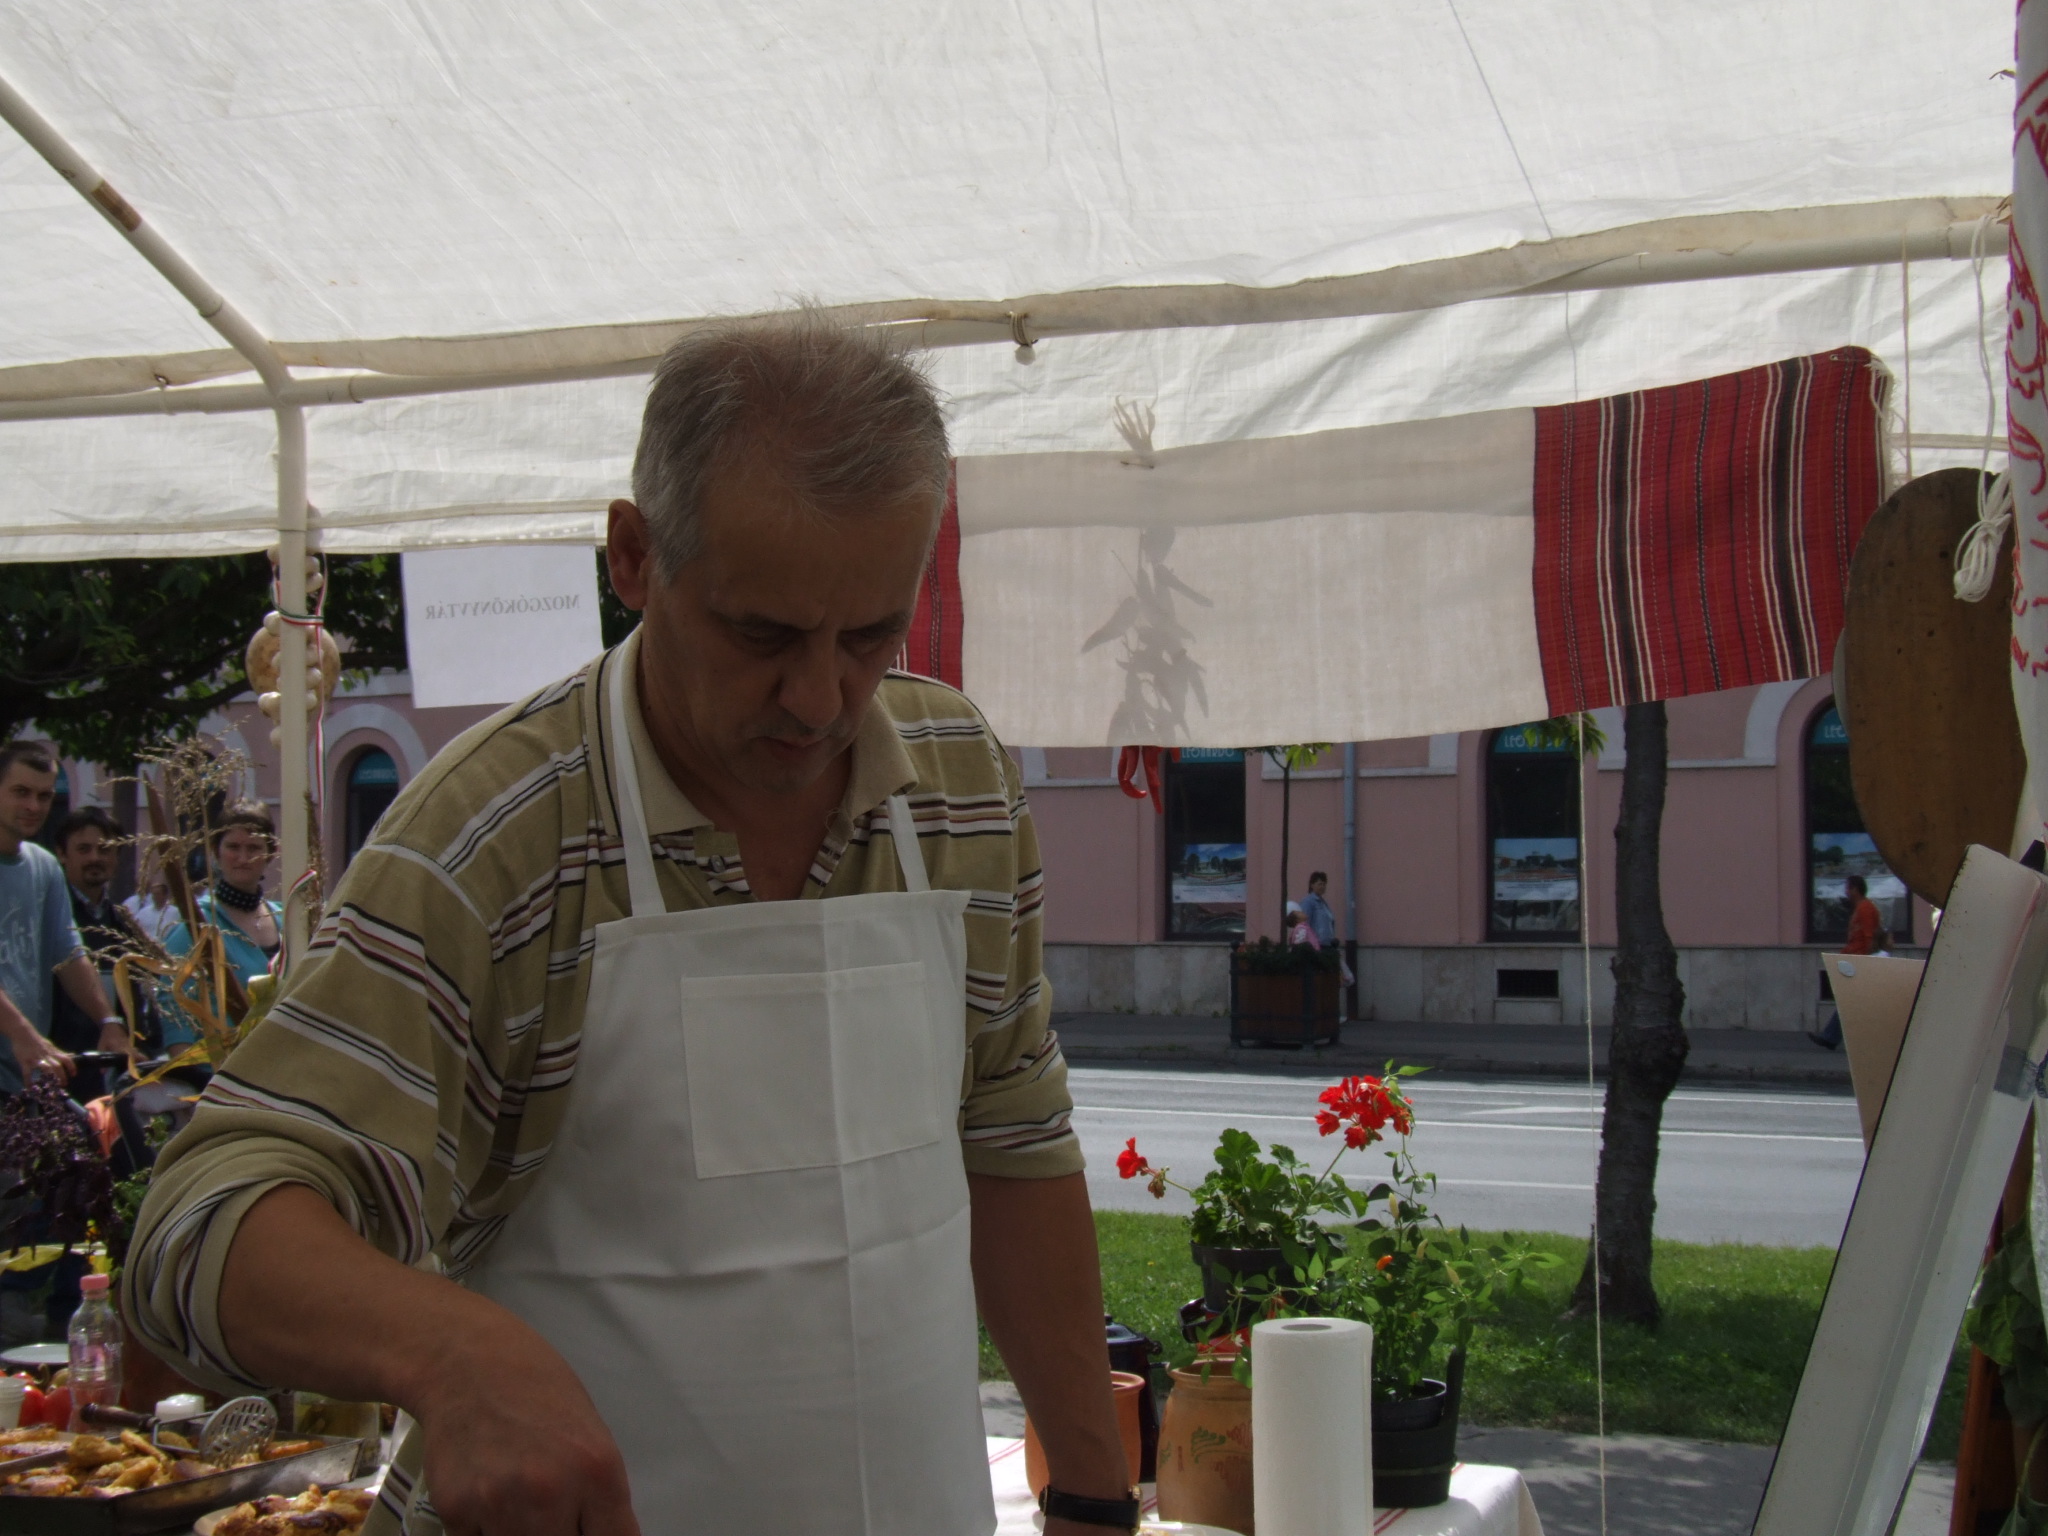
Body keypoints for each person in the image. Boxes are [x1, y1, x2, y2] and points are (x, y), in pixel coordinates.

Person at [129, 318, 1127, 1536]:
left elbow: (1012, 1138)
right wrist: (450, 1352)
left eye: (869, 635)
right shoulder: (499, 836)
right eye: (762, 634)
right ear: (634, 558)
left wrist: (1091, 1493)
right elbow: (201, 1221)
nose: (819, 698)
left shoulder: (957, 779)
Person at [0, 742, 124, 1092]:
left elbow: (68, 953)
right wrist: (23, 1034)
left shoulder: (44, 866)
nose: (34, 806)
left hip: (24, 1074)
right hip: (25, 1050)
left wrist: (109, 1021)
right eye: (21, 792)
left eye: (44, 796)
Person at [51, 805, 156, 1094]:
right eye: (83, 849)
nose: (95, 858)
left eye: (104, 849)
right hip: (66, 1070)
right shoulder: (53, 919)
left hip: (114, 1076)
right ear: (62, 854)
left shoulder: (123, 925)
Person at [159, 808, 283, 1054]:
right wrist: (185, 1064)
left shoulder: (287, 919)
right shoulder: (196, 923)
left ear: (270, 854)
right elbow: (173, 1001)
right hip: (219, 1063)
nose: (243, 857)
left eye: (254, 848)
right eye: (233, 847)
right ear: (216, 851)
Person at [1809, 873, 1887, 1050]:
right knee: (1851, 1002)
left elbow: (1868, 937)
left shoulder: (1865, 908)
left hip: (1860, 961)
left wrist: (1864, 962)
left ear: (1855, 890)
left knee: (1850, 1001)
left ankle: (1831, 1037)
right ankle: (1831, 1037)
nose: (1846, 892)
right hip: (1857, 959)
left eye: (1848, 888)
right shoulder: (1863, 907)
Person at [122, 856, 178, 943]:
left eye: (158, 894)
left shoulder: (175, 912)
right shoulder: (143, 912)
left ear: (165, 895)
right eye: (154, 894)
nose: (155, 897)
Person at [1299, 871, 1337, 948]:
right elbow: (1305, 924)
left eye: (1324, 884)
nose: (1322, 887)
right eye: (1319, 884)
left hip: (1327, 944)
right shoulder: (1308, 902)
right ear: (1312, 885)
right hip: (1315, 945)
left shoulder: (1324, 903)